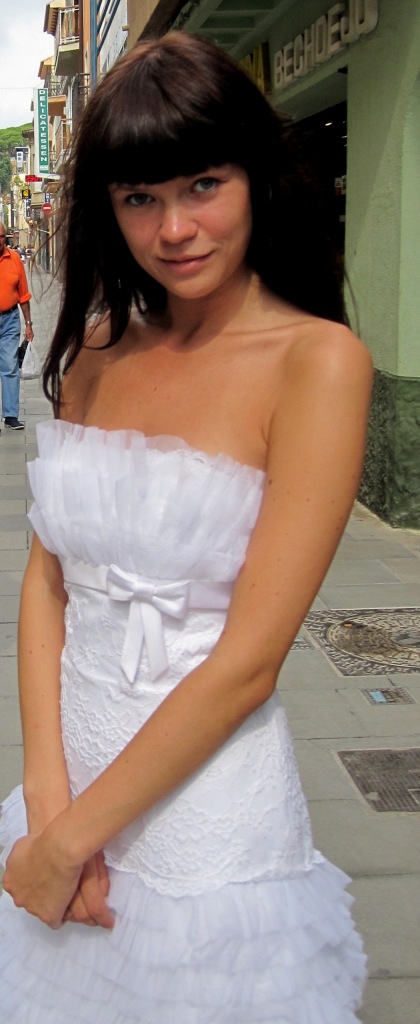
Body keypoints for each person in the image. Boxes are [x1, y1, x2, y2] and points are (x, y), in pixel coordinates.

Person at [0, 32, 372, 1023]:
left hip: (206, 812)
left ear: (256, 178)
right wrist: (46, 802)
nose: (174, 229)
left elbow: (250, 662)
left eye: (204, 184)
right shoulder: (94, 352)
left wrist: (70, 841)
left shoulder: (317, 362)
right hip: (68, 775)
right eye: (139, 197)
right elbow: (47, 582)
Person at [0, 224, 32, 430]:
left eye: (1, 236)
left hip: (10, 319)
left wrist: (28, 323)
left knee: (10, 367)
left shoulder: (14, 260)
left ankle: (10, 415)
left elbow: (23, 295)